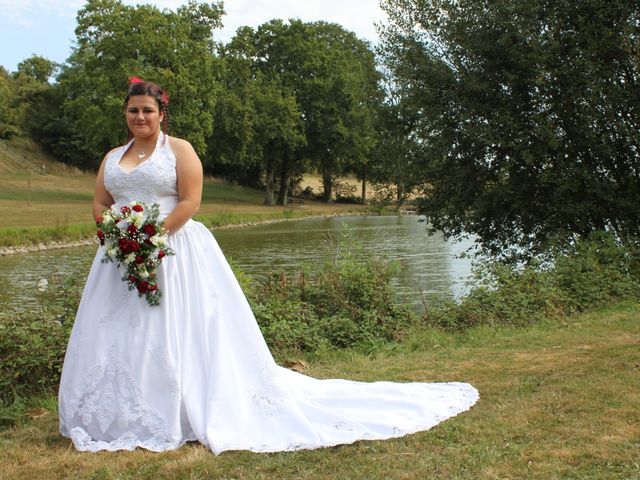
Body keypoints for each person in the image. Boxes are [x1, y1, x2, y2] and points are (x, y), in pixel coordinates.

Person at [58, 78, 479, 454]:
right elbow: (99, 200)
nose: (140, 116)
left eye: (148, 110)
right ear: (125, 114)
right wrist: (117, 232)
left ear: (161, 113)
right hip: (121, 256)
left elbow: (190, 201)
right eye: (133, 110)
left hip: (174, 251)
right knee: (118, 332)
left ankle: (182, 407)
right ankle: (122, 412)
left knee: (174, 329)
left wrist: (152, 236)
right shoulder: (113, 156)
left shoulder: (179, 150)